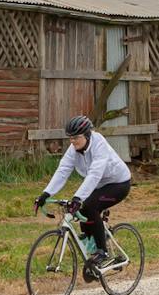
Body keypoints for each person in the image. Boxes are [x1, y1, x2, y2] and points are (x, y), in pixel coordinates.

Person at [36, 115, 132, 276]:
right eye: (70, 137)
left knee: (89, 205)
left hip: (118, 184)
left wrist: (77, 198)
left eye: (76, 137)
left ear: (87, 135)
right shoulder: (73, 150)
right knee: (81, 212)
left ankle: (102, 252)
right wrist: (45, 193)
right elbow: (62, 171)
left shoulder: (98, 143)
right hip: (98, 185)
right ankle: (93, 254)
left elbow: (95, 174)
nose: (73, 141)